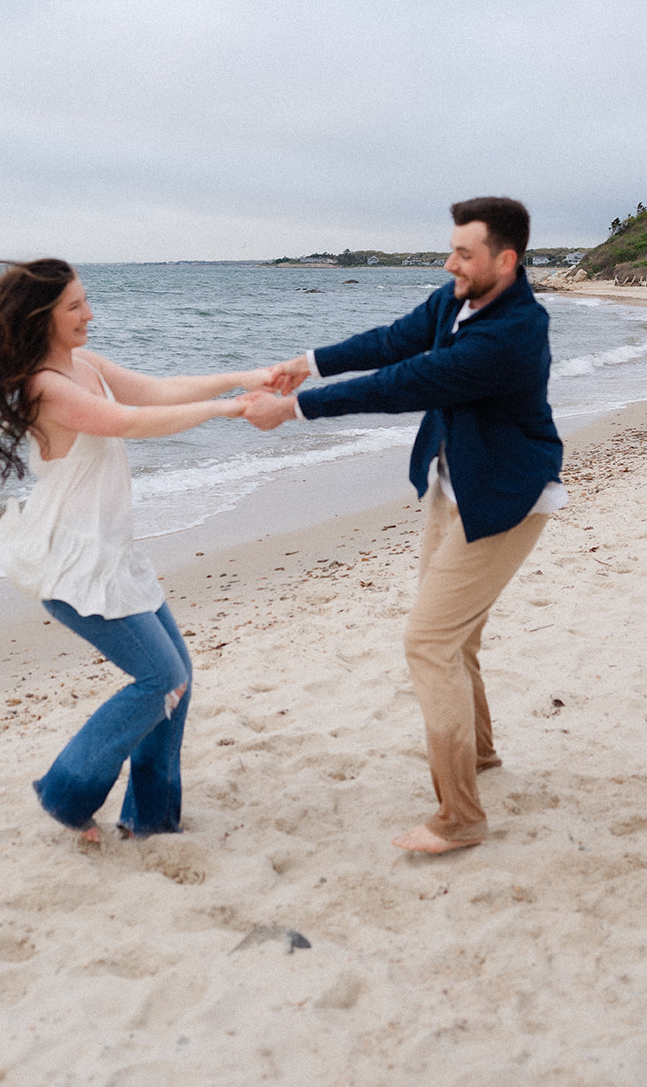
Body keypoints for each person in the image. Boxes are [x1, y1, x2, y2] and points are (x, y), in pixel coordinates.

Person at [242, 197, 565, 855]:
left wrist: (295, 409)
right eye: (451, 249)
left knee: (427, 644)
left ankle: (460, 818)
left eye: (464, 254)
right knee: (454, 638)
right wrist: (311, 360)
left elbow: (404, 381)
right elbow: (394, 340)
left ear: (504, 261)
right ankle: (478, 754)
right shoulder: (456, 299)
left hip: (503, 498)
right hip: (454, 486)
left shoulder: (512, 332)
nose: (450, 262)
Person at [0, 258, 271, 844]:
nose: (89, 313)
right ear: (43, 317)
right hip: (73, 559)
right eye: (75, 306)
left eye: (86, 300)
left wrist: (246, 376)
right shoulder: (45, 385)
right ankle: (65, 794)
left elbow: (157, 392)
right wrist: (228, 408)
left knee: (176, 678)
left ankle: (152, 819)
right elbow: (127, 421)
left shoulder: (85, 365)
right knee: (161, 678)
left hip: (113, 553)